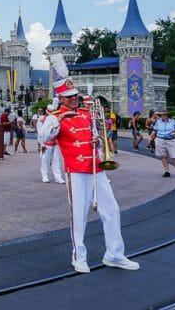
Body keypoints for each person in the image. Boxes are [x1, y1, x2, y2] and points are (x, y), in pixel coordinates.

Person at [39, 72, 140, 274]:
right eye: (69, 96)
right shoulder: (54, 117)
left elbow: (96, 137)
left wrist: (99, 142)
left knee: (111, 209)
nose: (74, 98)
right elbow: (44, 137)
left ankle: (115, 254)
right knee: (79, 214)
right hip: (75, 171)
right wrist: (59, 119)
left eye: (75, 95)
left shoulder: (86, 114)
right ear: (61, 99)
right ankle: (79, 256)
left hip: (96, 168)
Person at [150, 110, 175, 179]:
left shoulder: (173, 121)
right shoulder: (158, 122)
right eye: (161, 115)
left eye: (164, 115)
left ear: (167, 115)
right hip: (160, 139)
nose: (162, 116)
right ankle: (167, 171)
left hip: (171, 140)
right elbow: (155, 130)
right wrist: (150, 138)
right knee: (163, 156)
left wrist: (174, 133)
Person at [37, 104, 64, 184]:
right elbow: (40, 132)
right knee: (44, 159)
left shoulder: (55, 119)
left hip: (55, 142)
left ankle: (58, 177)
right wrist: (41, 144)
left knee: (56, 160)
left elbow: (58, 130)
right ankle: (44, 176)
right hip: (45, 143)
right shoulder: (42, 120)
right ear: (47, 111)